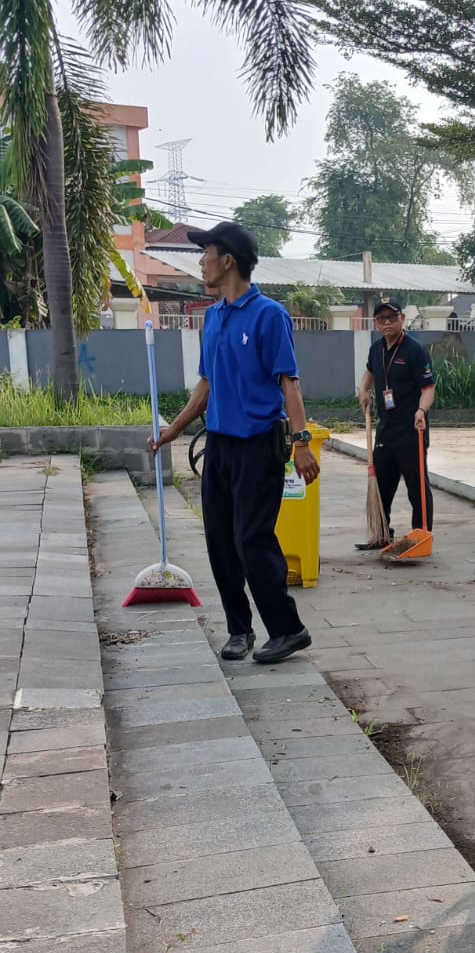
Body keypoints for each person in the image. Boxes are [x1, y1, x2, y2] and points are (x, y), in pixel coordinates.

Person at [150, 221, 320, 665]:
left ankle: (288, 629)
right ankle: (238, 629)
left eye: (205, 254)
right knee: (220, 541)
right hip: (219, 447)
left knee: (252, 539)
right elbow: (205, 386)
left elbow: (290, 385)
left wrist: (301, 443)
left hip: (260, 446)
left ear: (228, 260)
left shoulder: (269, 315)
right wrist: (172, 431)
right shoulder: (214, 317)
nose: (201, 262)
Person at [355, 299, 435, 549]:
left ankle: (420, 536)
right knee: (382, 485)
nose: (387, 322)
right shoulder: (376, 348)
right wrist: (364, 390)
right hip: (386, 429)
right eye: (382, 319)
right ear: (376, 323)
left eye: (392, 317)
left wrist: (421, 410)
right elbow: (370, 371)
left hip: (412, 429)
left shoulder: (414, 350)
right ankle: (381, 535)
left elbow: (428, 388)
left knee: (417, 488)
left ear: (402, 319)